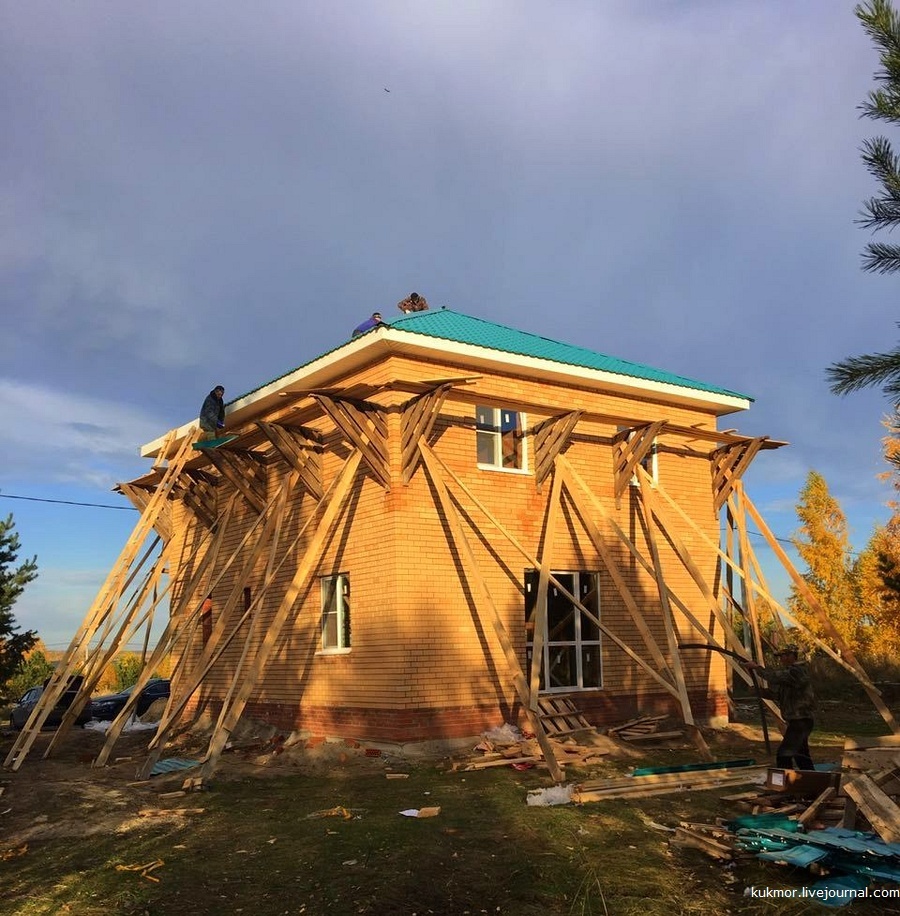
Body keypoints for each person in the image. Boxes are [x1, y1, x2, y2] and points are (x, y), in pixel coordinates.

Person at [742, 644, 816, 770]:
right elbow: (777, 695)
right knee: (801, 755)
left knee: (784, 755)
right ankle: (811, 783)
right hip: (797, 720)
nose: (781, 659)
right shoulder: (790, 676)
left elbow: (774, 676)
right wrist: (759, 691)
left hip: (801, 720)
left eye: (783, 656)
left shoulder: (797, 671)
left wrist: (756, 668)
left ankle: (786, 783)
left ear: (792, 656)